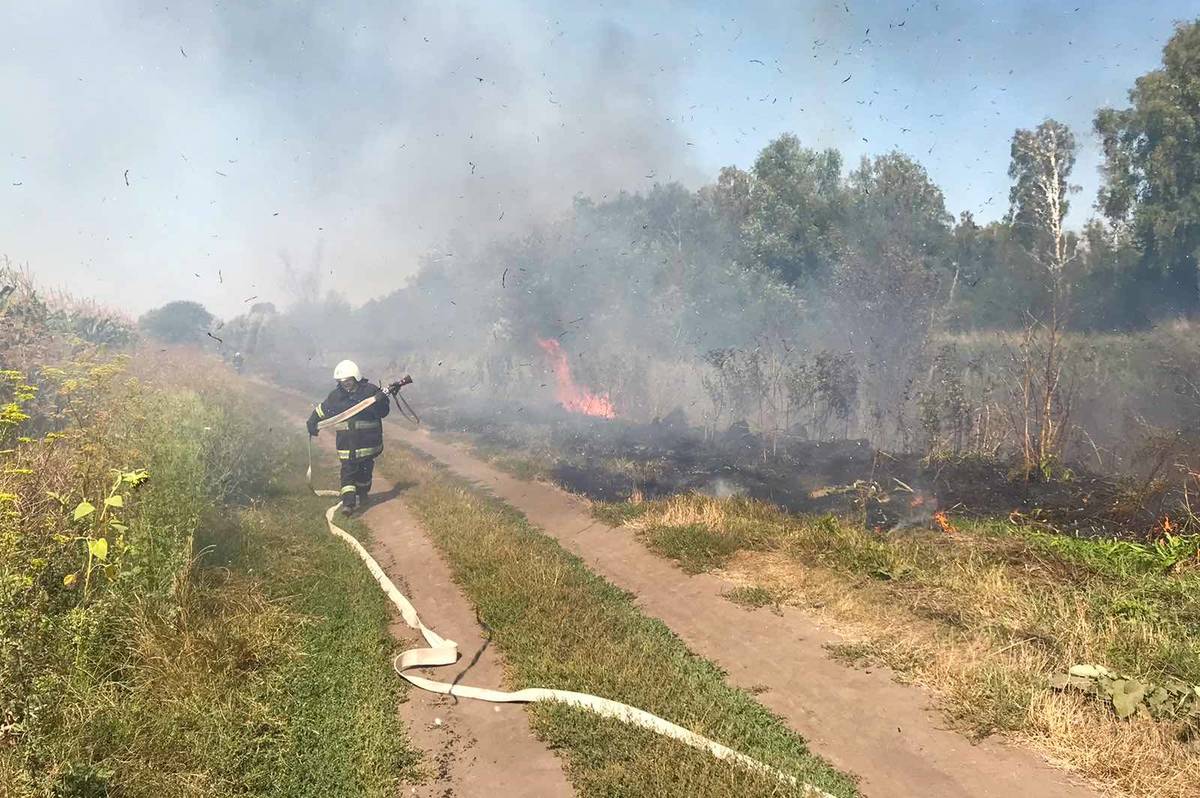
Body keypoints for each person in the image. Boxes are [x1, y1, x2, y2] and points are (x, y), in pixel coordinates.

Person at [306, 360, 400, 515]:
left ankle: (363, 495)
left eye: (348, 381)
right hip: (346, 445)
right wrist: (312, 422)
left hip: (367, 444)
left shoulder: (370, 391)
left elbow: (383, 412)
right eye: (342, 382)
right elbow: (322, 411)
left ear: (356, 378)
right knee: (347, 472)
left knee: (365, 473)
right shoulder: (336, 396)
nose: (345, 385)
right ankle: (348, 504)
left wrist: (382, 400)